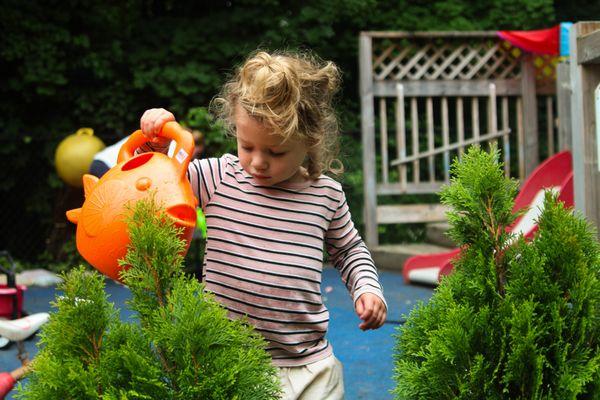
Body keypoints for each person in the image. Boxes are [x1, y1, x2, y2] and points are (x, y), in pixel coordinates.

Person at [138, 50, 387, 400]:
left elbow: (348, 250)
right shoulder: (217, 177)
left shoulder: (325, 194)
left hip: (307, 366)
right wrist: (156, 140)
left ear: (309, 141)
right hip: (226, 358)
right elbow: (153, 182)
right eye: (247, 145)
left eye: (276, 152)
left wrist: (367, 289)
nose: (258, 162)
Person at [89, 129, 204, 178]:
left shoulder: (165, 136)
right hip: (107, 165)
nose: (195, 157)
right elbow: (167, 170)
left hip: (100, 161)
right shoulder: (173, 142)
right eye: (197, 154)